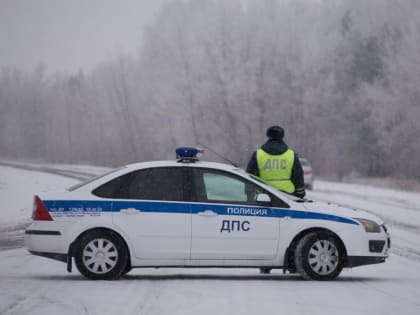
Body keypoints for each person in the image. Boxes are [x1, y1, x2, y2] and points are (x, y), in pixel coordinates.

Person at [246, 125, 306, 198]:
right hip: (288, 195)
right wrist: (300, 194)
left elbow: (250, 176)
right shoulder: (291, 155)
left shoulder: (258, 154)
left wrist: (249, 195)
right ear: (282, 136)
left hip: (264, 195)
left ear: (268, 135)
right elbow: (298, 176)